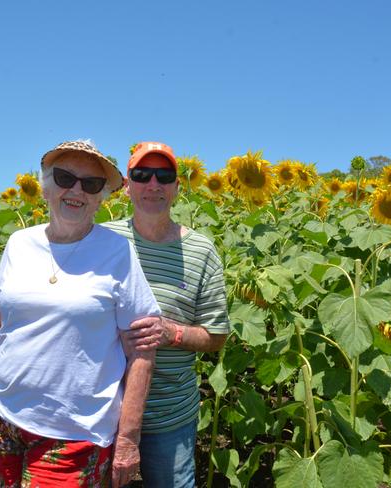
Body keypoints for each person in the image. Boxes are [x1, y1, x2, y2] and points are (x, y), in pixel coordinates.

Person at [0, 140, 162, 488]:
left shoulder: (117, 252)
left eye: (91, 184)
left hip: (75, 433)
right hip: (7, 418)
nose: (76, 190)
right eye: (65, 177)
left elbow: (142, 351)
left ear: (101, 198)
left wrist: (128, 438)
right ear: (45, 186)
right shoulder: (19, 244)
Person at [103, 141, 230, 487]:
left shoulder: (201, 251)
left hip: (169, 416)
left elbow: (216, 336)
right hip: (101, 413)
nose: (153, 185)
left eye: (164, 176)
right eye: (142, 175)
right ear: (127, 186)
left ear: (177, 187)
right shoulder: (103, 241)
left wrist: (170, 332)